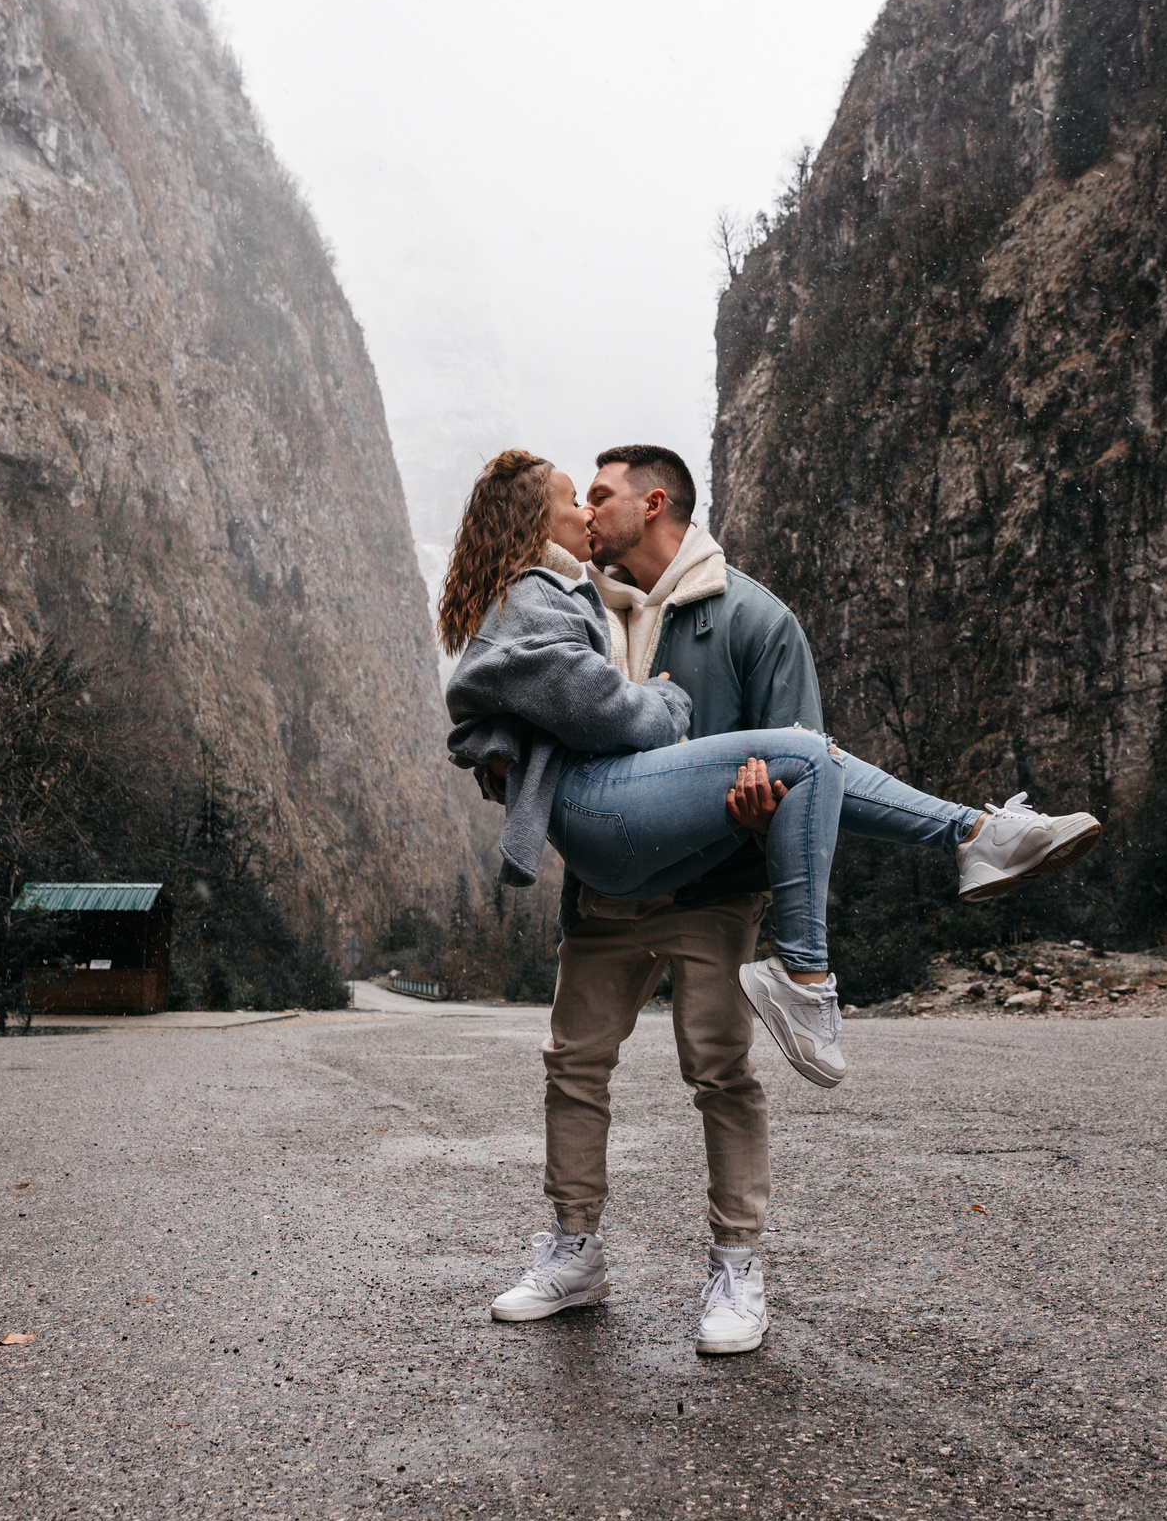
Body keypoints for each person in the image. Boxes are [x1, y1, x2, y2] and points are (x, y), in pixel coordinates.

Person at [440, 446, 1099, 1353]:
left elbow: (807, 782)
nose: (588, 513)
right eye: (577, 498)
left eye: (600, 495)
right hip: (605, 886)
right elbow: (524, 718)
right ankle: (573, 1249)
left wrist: (762, 813)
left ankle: (737, 1267)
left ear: (653, 502)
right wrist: (510, 764)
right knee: (574, 1065)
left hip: (712, 887)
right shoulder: (574, 598)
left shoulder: (751, 617)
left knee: (722, 1072)